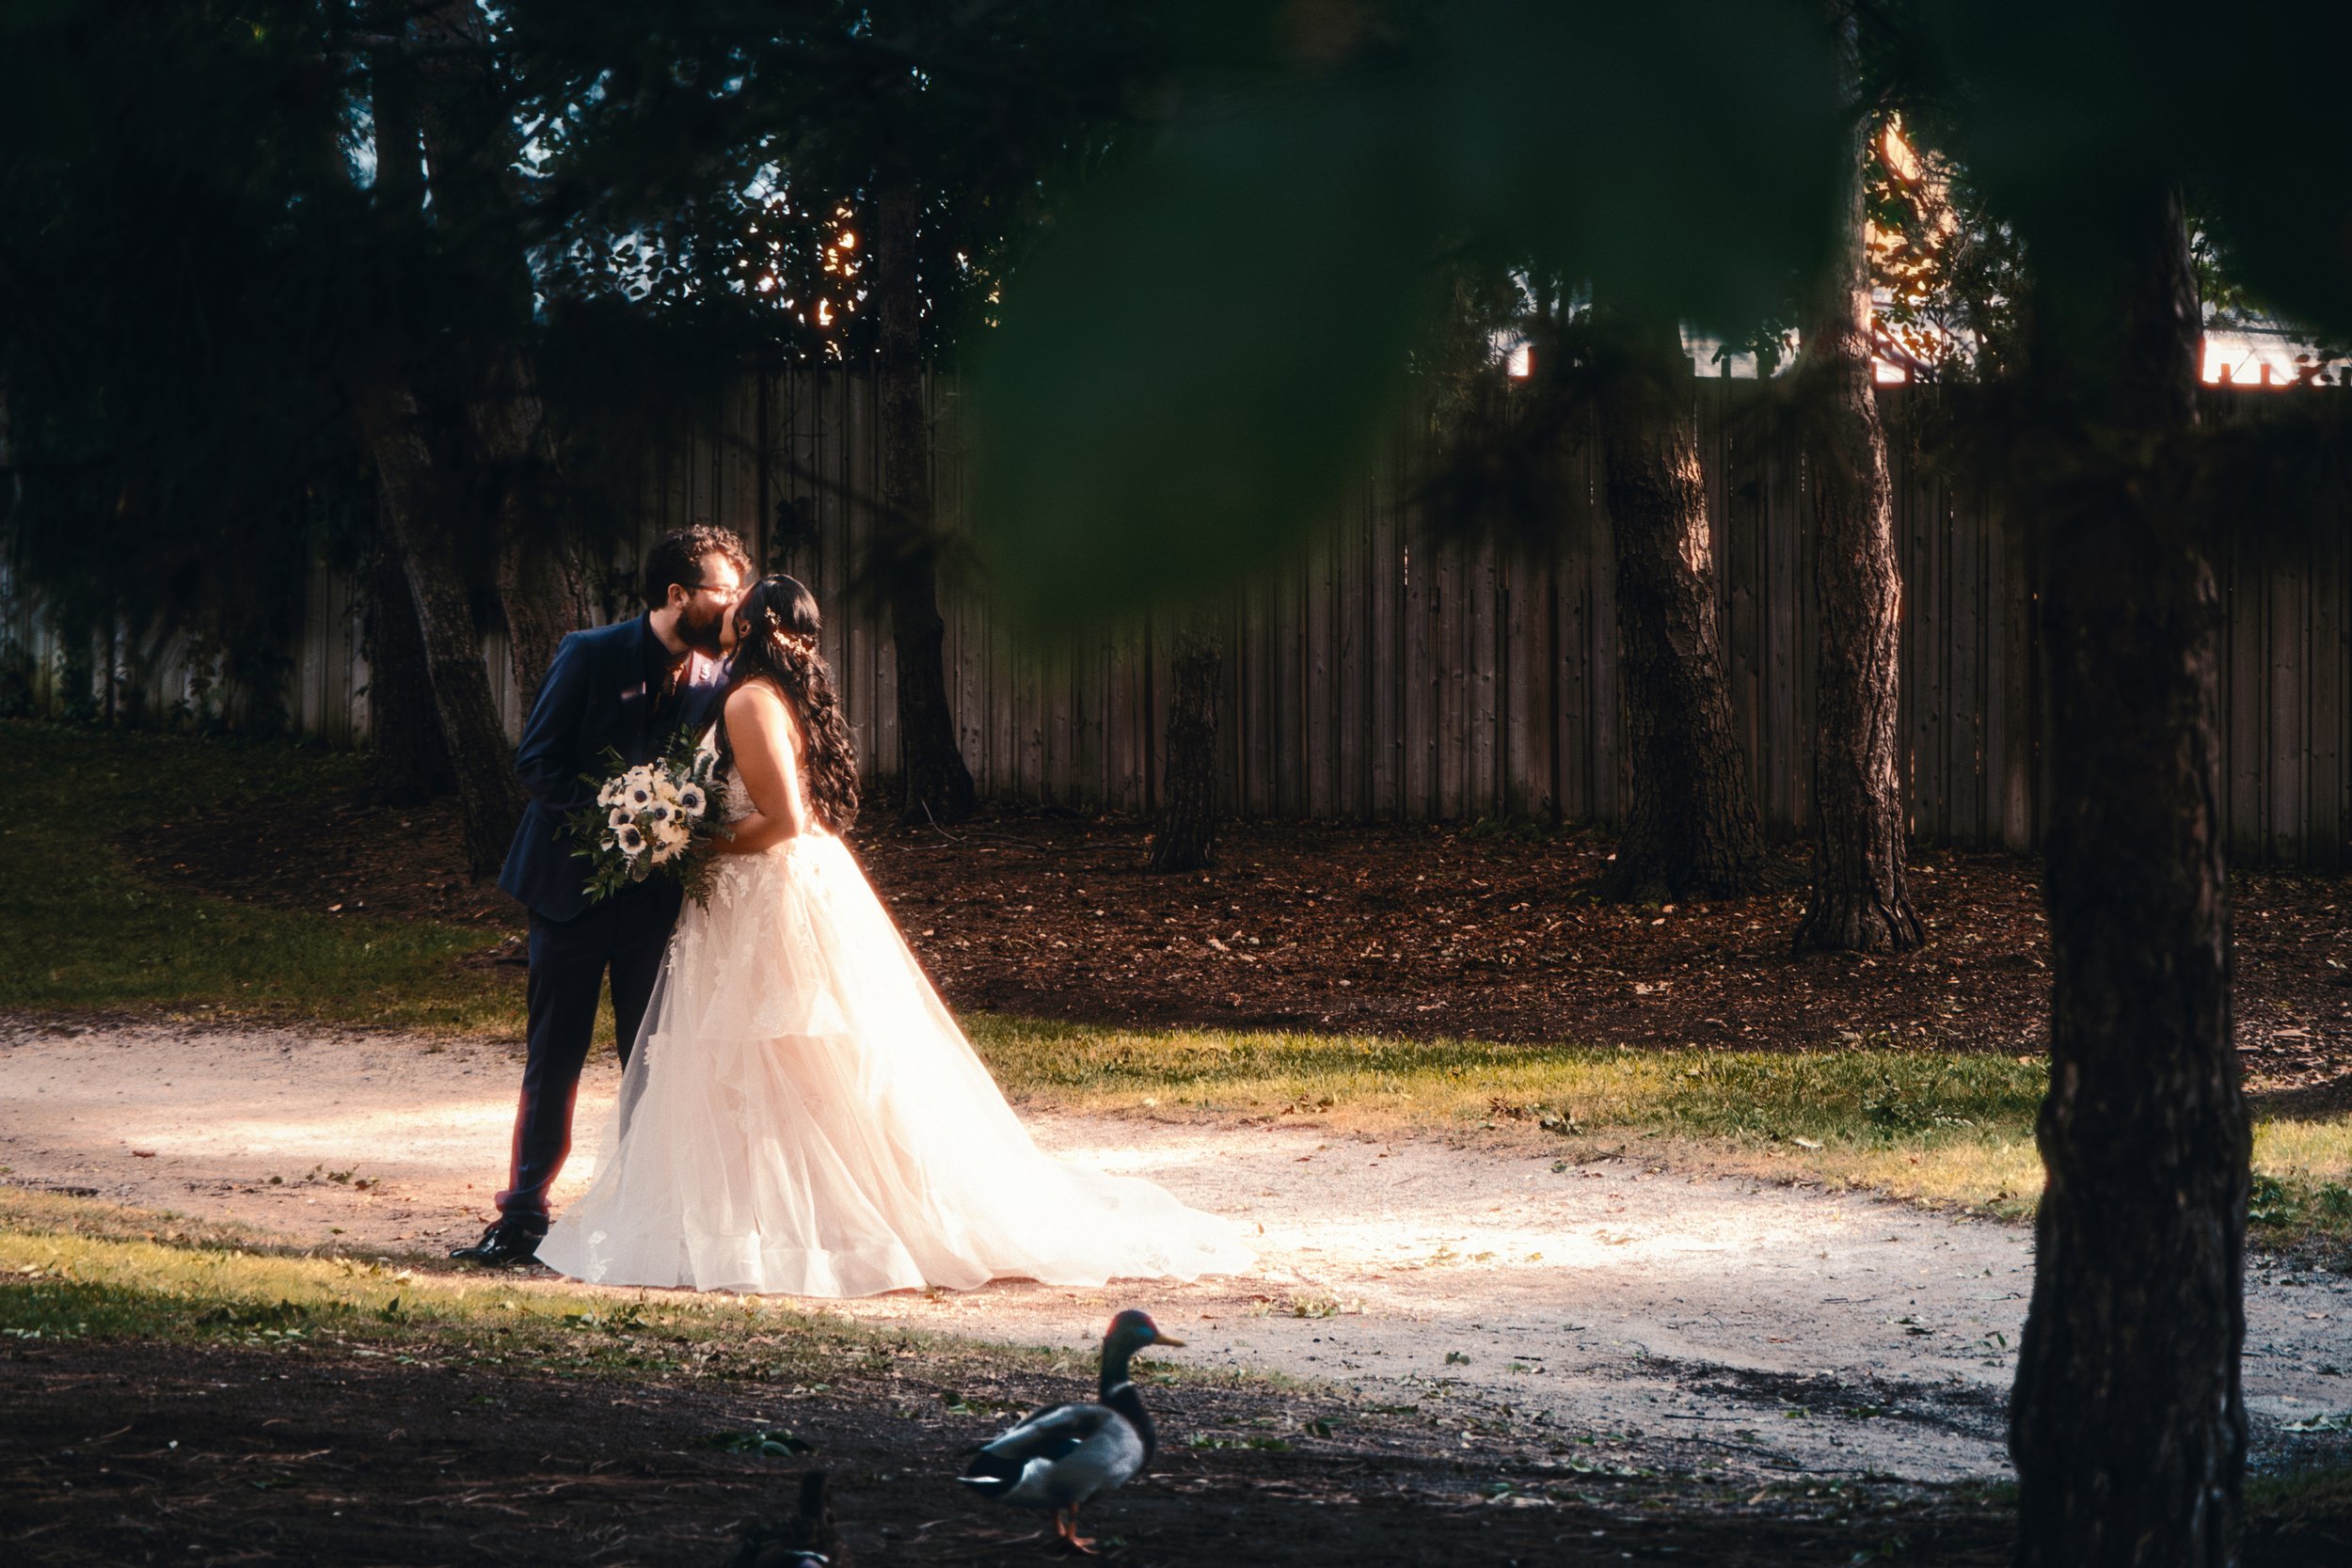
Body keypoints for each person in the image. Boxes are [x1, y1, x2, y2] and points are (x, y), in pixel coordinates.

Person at [535, 576, 1251, 1295]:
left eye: (740, 598)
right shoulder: (778, 694)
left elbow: (784, 819)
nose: (727, 605)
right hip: (773, 889)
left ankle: (819, 1218)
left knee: (784, 1056)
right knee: (778, 1062)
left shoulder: (750, 700)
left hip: (766, 895)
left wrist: (690, 839)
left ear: (752, 626)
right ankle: (777, 1210)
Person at [452, 526, 752, 1266]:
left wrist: (673, 830)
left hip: (655, 903)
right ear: (678, 594)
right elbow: (538, 762)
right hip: (566, 893)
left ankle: (643, 1214)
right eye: (723, 590)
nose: (733, 604)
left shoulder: (720, 682)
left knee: (651, 1059)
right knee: (553, 1057)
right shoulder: (589, 653)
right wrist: (620, 821)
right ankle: (522, 1216)